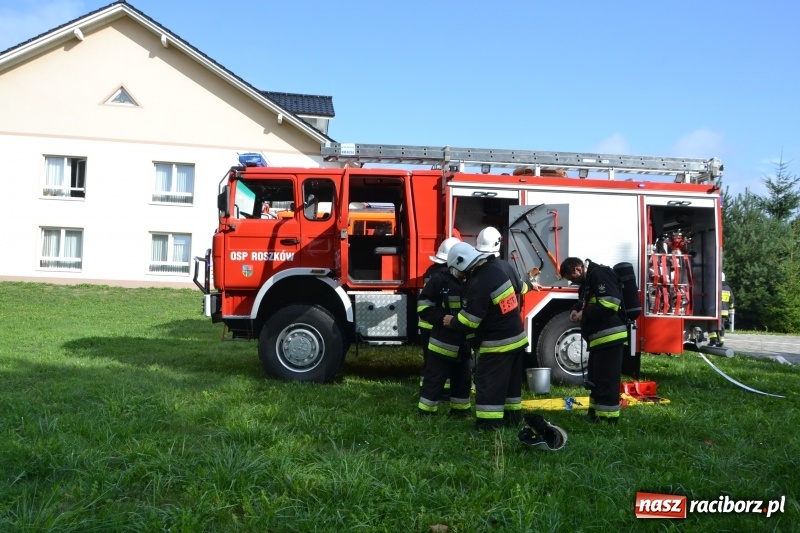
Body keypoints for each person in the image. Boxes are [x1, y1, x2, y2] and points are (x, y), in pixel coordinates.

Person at [443, 242, 528, 432]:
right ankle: (513, 420)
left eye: (456, 270)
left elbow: (470, 320)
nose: (457, 275)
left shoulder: (479, 282)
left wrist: (452, 321)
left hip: (497, 343)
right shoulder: (495, 271)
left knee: (488, 383)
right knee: (510, 386)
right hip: (516, 338)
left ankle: (488, 426)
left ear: (462, 263)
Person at [560, 256, 627, 425]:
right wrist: (575, 311)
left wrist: (585, 314)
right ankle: (595, 416)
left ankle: (608, 421)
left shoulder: (600, 275)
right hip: (598, 339)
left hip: (610, 336)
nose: (572, 282)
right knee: (595, 381)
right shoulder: (587, 282)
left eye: (572, 278)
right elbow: (585, 303)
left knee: (607, 381)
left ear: (578, 268)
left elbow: (610, 302)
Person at [417, 239, 472, 417]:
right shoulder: (438, 281)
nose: (466, 273)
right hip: (441, 343)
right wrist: (443, 318)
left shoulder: (471, 282)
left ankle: (460, 412)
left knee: (463, 380)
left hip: (463, 345)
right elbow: (423, 308)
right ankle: (426, 413)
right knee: (434, 380)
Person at [418, 237, 461, 385]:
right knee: (443, 360)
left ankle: (425, 387)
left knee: (429, 361)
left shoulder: (430, 270)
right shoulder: (447, 276)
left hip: (426, 324)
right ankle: (445, 392)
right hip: (441, 325)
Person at [475, 226, 542, 293]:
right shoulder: (503, 266)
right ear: (498, 243)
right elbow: (520, 288)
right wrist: (531, 285)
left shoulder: (472, 265)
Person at [708, 272, 735, 347]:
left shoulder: (715, 287)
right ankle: (721, 342)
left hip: (714, 311)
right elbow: (732, 301)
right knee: (721, 326)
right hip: (724, 312)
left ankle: (713, 340)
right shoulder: (728, 288)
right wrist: (730, 310)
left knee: (711, 326)